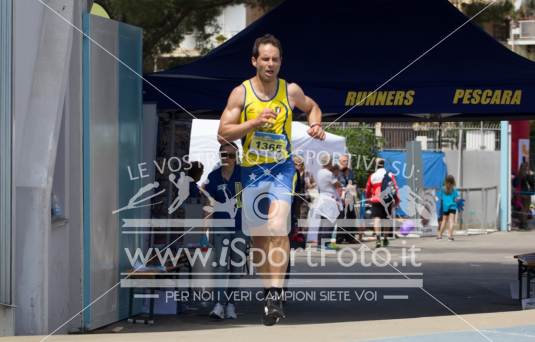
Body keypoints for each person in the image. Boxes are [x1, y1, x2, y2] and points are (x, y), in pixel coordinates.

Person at [217, 34, 325, 325]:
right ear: (255, 61)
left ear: (280, 62)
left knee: (278, 227)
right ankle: (268, 291)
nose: (270, 64)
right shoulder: (241, 93)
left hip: (281, 170)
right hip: (252, 172)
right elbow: (223, 133)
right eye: (265, 58)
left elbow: (313, 106)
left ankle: (275, 295)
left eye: (275, 59)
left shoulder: (290, 91)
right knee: (259, 238)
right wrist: (253, 123)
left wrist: (315, 123)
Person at [201, 143, 247, 319]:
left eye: (232, 155)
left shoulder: (243, 174)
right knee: (220, 266)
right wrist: (204, 229)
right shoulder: (213, 176)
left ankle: (231, 305)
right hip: (220, 224)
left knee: (236, 266)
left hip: (241, 226)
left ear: (237, 156)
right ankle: (219, 303)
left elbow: (247, 202)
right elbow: (209, 204)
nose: (228, 158)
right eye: (224, 155)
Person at [365, 158, 399, 248]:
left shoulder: (372, 176)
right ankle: (385, 239)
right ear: (384, 164)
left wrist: (368, 198)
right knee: (386, 219)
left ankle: (378, 239)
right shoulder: (389, 174)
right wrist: (397, 200)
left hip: (375, 199)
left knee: (377, 218)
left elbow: (367, 189)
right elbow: (395, 187)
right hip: (387, 200)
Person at [315, 154, 342, 249]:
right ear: (329, 162)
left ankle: (319, 243)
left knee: (322, 222)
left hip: (322, 197)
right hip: (329, 199)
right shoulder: (328, 173)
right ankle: (325, 244)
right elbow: (337, 184)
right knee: (329, 222)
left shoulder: (319, 172)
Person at [336, 154, 358, 243]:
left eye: (347, 161)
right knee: (341, 217)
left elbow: (354, 182)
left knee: (351, 216)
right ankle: (339, 238)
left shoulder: (350, 172)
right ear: (340, 162)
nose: (346, 162)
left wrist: (353, 186)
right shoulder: (337, 172)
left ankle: (350, 237)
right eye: (344, 161)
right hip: (341, 198)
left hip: (350, 197)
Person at [437, 175, 461, 241]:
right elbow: (457, 198)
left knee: (444, 221)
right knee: (451, 221)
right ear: (453, 181)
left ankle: (439, 236)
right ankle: (450, 236)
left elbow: (441, 198)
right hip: (453, 206)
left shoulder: (442, 189)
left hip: (445, 207)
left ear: (446, 181)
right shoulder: (454, 190)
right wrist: (457, 199)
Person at [517, 162, 534, 229]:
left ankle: (521, 224)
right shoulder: (526, 175)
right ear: (526, 167)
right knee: (526, 209)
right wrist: (531, 175)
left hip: (521, 193)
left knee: (523, 208)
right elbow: (532, 182)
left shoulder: (520, 174)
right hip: (526, 193)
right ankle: (524, 224)